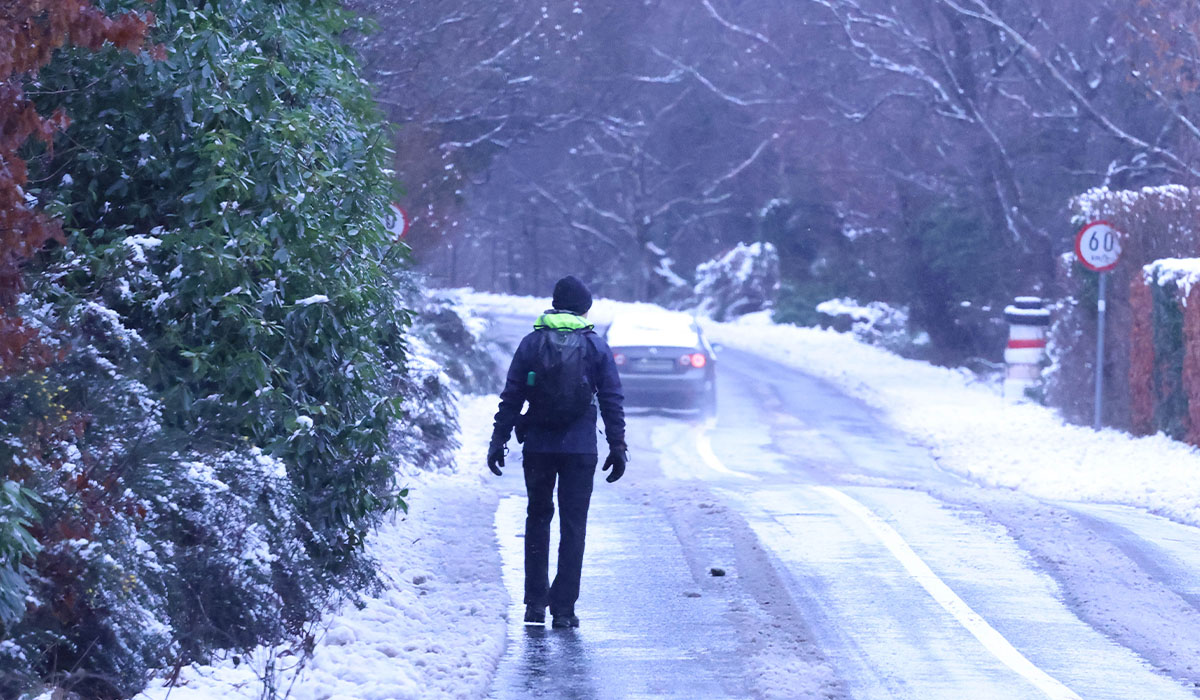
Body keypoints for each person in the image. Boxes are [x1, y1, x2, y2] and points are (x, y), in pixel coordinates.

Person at [488, 275, 627, 629]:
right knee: (573, 525)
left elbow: (512, 395)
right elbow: (611, 399)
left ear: (555, 304)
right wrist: (617, 445)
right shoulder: (595, 346)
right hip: (580, 449)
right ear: (584, 308)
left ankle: (535, 604)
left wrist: (498, 439)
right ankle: (563, 610)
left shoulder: (532, 343)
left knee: (537, 518)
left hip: (538, 445)